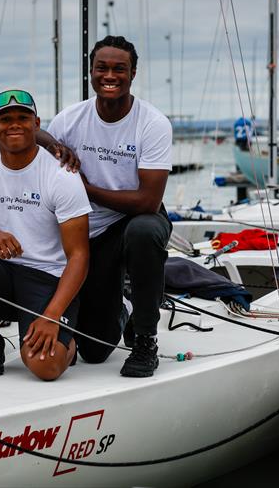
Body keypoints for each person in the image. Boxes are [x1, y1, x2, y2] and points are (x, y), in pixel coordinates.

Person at [45, 36, 172, 378]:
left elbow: (148, 200)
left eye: (120, 68)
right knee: (96, 350)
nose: (110, 75)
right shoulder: (69, 120)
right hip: (91, 230)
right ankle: (125, 307)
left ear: (133, 74)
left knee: (145, 231)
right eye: (102, 67)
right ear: (91, 72)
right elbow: (34, 150)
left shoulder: (153, 123)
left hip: (137, 218)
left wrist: (83, 188)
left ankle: (145, 338)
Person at [0, 89, 90, 380]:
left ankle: (69, 342)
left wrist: (51, 316)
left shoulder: (62, 176)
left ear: (37, 124)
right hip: (5, 271)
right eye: (5, 118)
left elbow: (79, 256)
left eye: (23, 118)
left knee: (45, 367)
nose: (14, 124)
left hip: (48, 278)